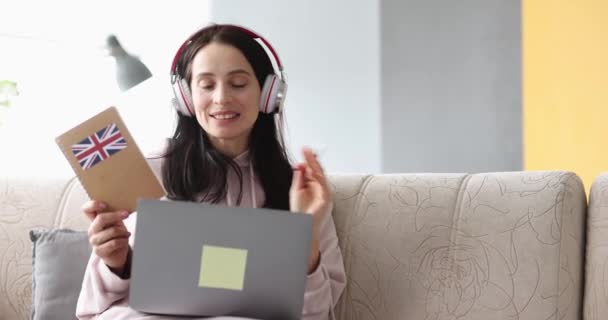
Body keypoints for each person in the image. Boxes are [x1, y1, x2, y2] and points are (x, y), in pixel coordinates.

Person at [75, 23, 346, 320]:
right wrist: (116, 264)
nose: (221, 98)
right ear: (186, 98)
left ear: (269, 93)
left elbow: (318, 314)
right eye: (206, 85)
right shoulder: (149, 170)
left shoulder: (300, 190)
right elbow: (93, 312)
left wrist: (305, 233)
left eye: (238, 84)